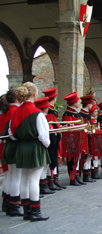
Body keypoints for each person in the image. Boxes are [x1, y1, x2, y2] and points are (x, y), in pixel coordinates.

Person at [10, 82, 50, 221]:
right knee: (34, 180)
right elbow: (44, 136)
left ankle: (26, 211)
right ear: (34, 94)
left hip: (21, 147)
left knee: (24, 180)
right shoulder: (37, 113)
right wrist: (46, 145)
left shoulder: (16, 111)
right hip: (35, 146)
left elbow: (12, 132)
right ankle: (36, 212)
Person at [1, 89, 22, 216]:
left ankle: (7, 201)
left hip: (5, 146)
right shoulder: (16, 111)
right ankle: (14, 204)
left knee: (9, 175)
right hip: (13, 145)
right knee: (16, 176)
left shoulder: (6, 111)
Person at [42, 87, 66, 189]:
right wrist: (59, 128)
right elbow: (52, 125)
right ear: (54, 98)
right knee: (52, 159)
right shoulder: (50, 111)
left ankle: (54, 179)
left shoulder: (50, 110)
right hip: (51, 138)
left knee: (53, 159)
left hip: (53, 137)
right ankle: (51, 180)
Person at [36, 97, 61, 195]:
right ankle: (43, 185)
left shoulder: (42, 115)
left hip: (47, 142)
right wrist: (48, 144)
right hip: (45, 143)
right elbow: (43, 132)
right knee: (44, 164)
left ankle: (45, 184)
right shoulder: (41, 116)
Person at [62, 92, 86, 186]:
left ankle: (77, 176)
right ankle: (72, 177)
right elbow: (68, 128)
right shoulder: (67, 113)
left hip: (79, 139)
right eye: (77, 101)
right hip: (72, 141)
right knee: (72, 159)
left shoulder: (76, 113)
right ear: (74, 103)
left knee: (78, 158)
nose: (79, 103)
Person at [79, 95, 97, 182]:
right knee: (85, 156)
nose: (92, 106)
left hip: (89, 137)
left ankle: (88, 174)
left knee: (89, 156)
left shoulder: (88, 115)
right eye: (91, 104)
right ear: (88, 104)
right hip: (84, 138)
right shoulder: (81, 115)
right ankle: (85, 174)